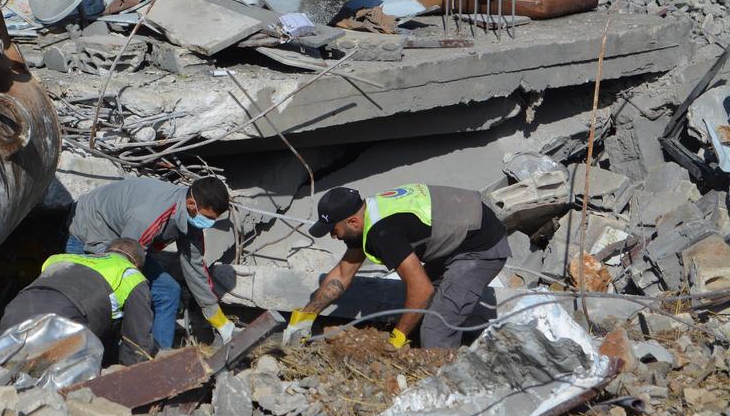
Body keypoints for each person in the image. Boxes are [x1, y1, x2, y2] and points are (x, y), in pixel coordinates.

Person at [284, 183, 510, 349]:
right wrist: (305, 317)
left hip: (481, 247)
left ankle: (446, 387)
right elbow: (343, 274)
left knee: (436, 328)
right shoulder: (367, 215)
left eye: (334, 230)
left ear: (353, 222)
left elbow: (422, 290)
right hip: (459, 235)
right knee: (424, 308)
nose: (334, 236)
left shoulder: (383, 232)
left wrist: (396, 339)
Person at [66, 176, 232, 349]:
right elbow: (123, 267)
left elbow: (195, 266)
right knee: (94, 304)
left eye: (213, 219)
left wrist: (220, 321)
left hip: (124, 242)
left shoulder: (190, 215)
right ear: (191, 204)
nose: (209, 224)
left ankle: (161, 358)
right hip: (89, 234)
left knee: (168, 291)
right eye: (207, 218)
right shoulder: (150, 216)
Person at [0, 238, 156, 365]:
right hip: (65, 326)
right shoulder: (130, 274)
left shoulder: (60, 258)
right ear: (137, 264)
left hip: (14, 314)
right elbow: (137, 340)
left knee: (8, 376)